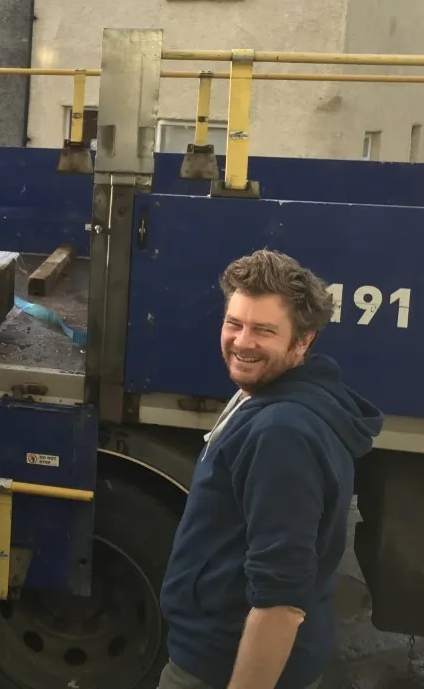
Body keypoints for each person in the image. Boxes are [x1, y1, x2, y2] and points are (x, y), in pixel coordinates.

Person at [158, 249, 383, 689]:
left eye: (263, 330)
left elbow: (281, 601)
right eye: (234, 323)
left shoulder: (282, 434)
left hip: (222, 668)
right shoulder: (271, 394)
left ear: (302, 341)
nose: (241, 342)